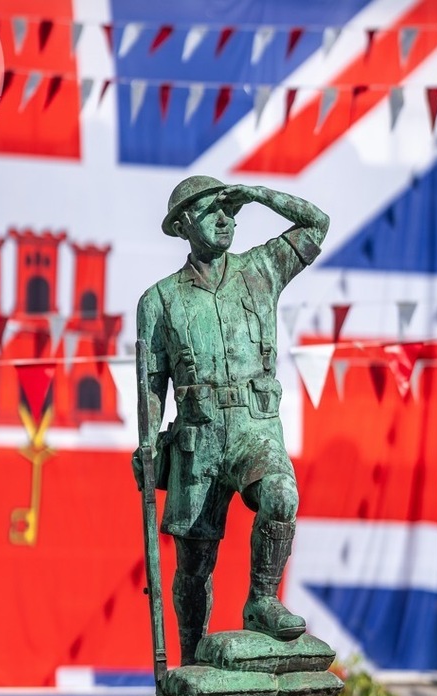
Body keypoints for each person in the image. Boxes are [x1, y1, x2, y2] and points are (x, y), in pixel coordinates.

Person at [134, 175, 329, 665]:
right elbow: (151, 385)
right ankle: (192, 659)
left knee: (282, 495)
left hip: (253, 426)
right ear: (182, 226)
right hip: (197, 438)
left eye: (230, 211)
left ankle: (262, 600)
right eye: (211, 212)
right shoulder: (158, 301)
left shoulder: (261, 268)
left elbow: (317, 224)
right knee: (195, 566)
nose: (226, 220)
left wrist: (258, 194)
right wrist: (147, 445)